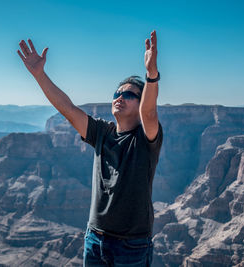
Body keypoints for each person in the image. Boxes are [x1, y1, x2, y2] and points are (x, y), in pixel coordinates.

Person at [17, 30, 163, 267]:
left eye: (129, 94)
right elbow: (67, 108)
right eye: (117, 93)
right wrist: (39, 75)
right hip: (94, 239)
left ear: (140, 102)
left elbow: (149, 112)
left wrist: (151, 75)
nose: (119, 97)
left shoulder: (146, 139)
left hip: (132, 246)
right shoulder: (101, 132)